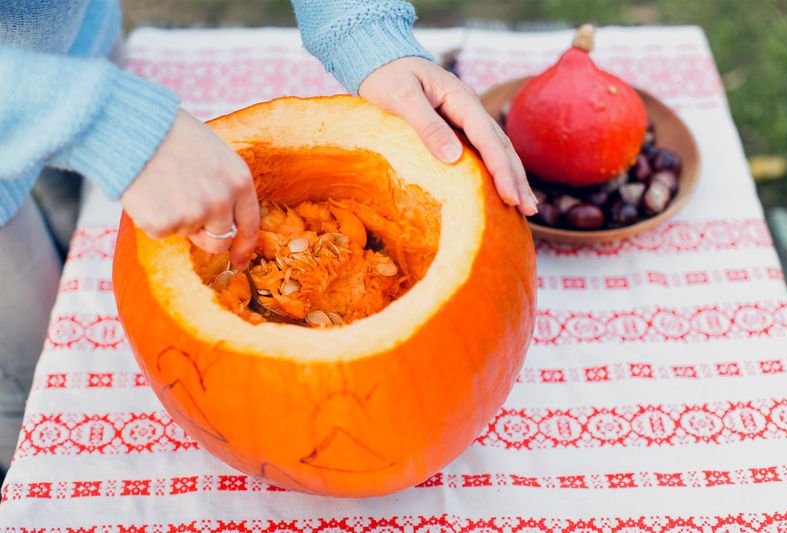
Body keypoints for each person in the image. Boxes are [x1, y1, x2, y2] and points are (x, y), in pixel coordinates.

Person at [0, 0, 537, 470]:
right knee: (32, 377)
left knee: (77, 204)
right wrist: (100, 121)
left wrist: (362, 30)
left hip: (75, 37)